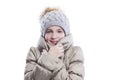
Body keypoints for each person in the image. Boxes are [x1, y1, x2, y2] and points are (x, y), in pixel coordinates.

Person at [24, 7, 84, 80]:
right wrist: (49, 57)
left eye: (59, 31)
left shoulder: (75, 52)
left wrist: (54, 59)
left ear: (66, 33)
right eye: (49, 31)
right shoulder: (34, 52)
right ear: (43, 34)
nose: (54, 36)